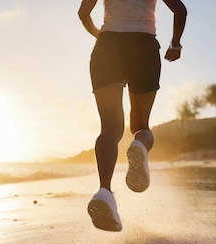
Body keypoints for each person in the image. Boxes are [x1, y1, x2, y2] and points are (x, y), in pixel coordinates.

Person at [78, 0, 187, 231]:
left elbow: (83, 13)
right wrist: (175, 44)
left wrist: (101, 36)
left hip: (107, 47)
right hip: (143, 45)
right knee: (140, 126)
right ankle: (138, 144)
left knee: (110, 129)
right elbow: (180, 10)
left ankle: (104, 192)